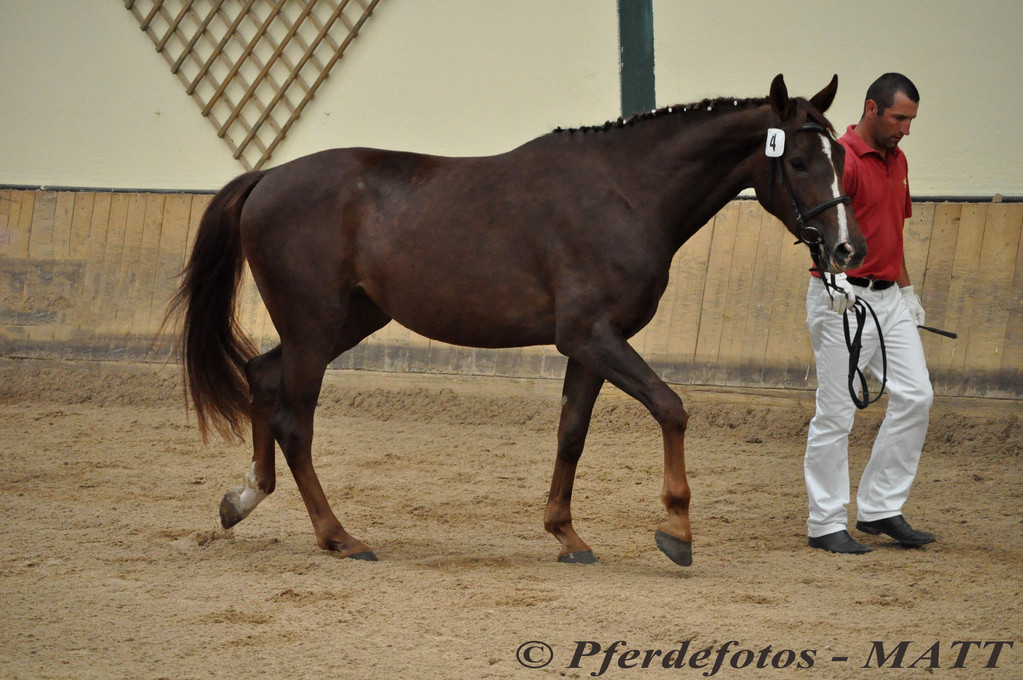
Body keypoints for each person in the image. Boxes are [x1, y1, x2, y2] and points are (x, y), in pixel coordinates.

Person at [804, 73, 935, 554]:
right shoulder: (841, 159)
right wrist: (832, 275)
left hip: (889, 299)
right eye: (900, 118)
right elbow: (818, 228)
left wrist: (908, 290)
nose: (905, 129)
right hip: (843, 297)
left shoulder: (897, 160)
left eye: (910, 120)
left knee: (917, 396)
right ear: (872, 108)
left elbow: (891, 234)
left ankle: (880, 508)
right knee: (836, 412)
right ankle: (824, 522)